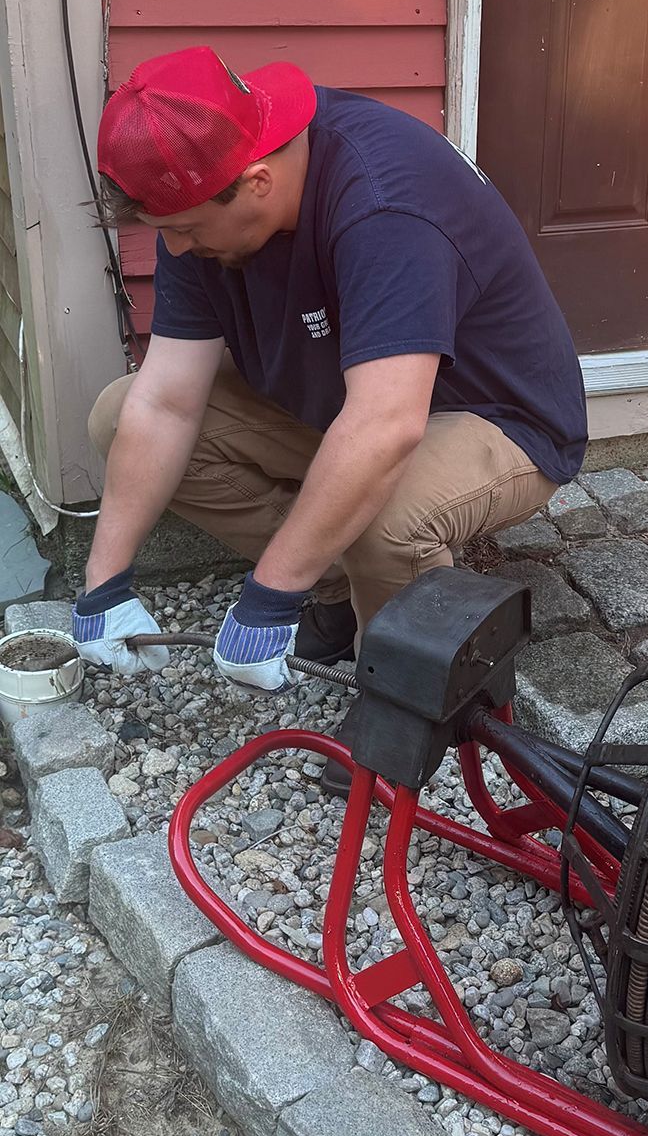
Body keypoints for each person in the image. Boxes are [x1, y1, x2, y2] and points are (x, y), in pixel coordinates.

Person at [72, 47, 588, 691]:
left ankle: (403, 699)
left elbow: (383, 429)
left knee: (385, 517)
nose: (176, 249)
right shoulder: (203, 189)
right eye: (164, 231)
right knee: (118, 416)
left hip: (493, 415)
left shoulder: (384, 202)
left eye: (185, 230)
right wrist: (103, 586)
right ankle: (339, 581)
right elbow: (165, 404)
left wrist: (268, 595)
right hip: (347, 399)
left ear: (257, 180)